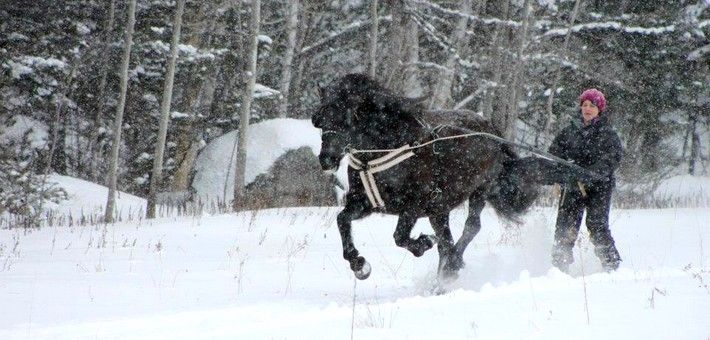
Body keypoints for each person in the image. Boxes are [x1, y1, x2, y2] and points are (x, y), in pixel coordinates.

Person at [548, 88, 623, 272]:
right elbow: (554, 153)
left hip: (600, 187)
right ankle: (559, 269)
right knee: (565, 226)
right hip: (572, 185)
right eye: (585, 105)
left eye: (592, 105)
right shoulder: (569, 131)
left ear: (600, 109)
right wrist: (562, 168)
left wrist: (590, 173)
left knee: (597, 225)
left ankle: (611, 265)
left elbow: (612, 159)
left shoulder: (608, 134)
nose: (587, 109)